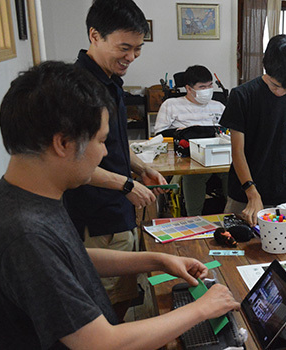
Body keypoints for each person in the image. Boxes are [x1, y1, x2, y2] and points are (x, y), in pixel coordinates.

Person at [0, 61, 239, 349]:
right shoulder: (24, 234)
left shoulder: (23, 197)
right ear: (63, 143)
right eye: (101, 141)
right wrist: (202, 308)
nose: (104, 152)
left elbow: (71, 258)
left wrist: (159, 260)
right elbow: (101, 344)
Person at [63, 0, 168, 321]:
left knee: (123, 295)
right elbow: (71, 164)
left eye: (137, 49)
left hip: (118, 210)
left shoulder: (111, 82)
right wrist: (126, 185)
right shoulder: (78, 89)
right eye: (124, 47)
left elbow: (114, 145)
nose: (131, 57)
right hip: (97, 216)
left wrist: (142, 168)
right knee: (103, 305)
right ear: (95, 35)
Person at [220, 34, 286, 226]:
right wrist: (251, 193)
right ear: (266, 67)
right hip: (244, 191)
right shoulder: (242, 96)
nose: (280, 91)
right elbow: (237, 151)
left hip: (283, 192)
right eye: (275, 85)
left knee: (281, 246)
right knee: (238, 244)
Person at [154, 65, 228, 216]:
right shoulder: (172, 105)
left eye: (209, 85)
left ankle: (230, 212)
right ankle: (193, 216)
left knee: (233, 171)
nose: (207, 90)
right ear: (188, 88)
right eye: (202, 87)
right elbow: (159, 136)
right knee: (194, 173)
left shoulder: (219, 107)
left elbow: (229, 132)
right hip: (187, 158)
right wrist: (180, 133)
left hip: (218, 156)